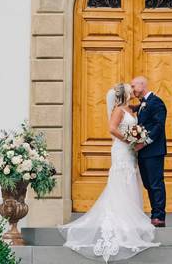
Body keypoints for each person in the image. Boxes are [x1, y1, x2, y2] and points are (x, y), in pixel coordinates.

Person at [60, 82, 159, 261]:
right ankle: (120, 217)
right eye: (129, 88)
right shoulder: (119, 110)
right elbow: (112, 129)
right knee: (121, 180)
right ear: (125, 94)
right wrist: (129, 140)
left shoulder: (130, 109)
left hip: (130, 152)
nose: (132, 89)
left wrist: (137, 136)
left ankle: (131, 216)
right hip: (122, 150)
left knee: (130, 181)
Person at [131, 76, 167, 227]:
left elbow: (159, 126)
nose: (132, 90)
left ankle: (159, 216)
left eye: (133, 86)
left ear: (142, 85)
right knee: (148, 184)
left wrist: (143, 143)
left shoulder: (156, 102)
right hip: (143, 152)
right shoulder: (143, 104)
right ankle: (154, 213)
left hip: (154, 151)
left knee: (155, 183)